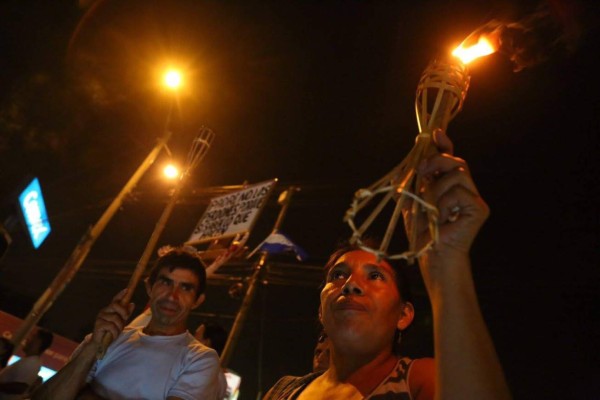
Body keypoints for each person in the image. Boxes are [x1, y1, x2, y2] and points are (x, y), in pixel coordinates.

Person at [264, 130, 511, 399]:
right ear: (321, 312)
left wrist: (446, 260)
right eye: (338, 275)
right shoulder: (284, 391)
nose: (351, 285)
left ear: (403, 314)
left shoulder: (420, 381)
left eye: (375, 276)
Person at [32, 247, 222, 400]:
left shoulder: (200, 359)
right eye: (165, 283)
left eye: (186, 288)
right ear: (149, 287)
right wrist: (92, 348)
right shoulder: (107, 338)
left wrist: (85, 395)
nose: (172, 296)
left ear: (198, 301)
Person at [0, 328, 53, 400]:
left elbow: (20, 387)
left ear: (38, 342)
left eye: (32, 336)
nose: (27, 339)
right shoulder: (30, 361)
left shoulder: (32, 363)